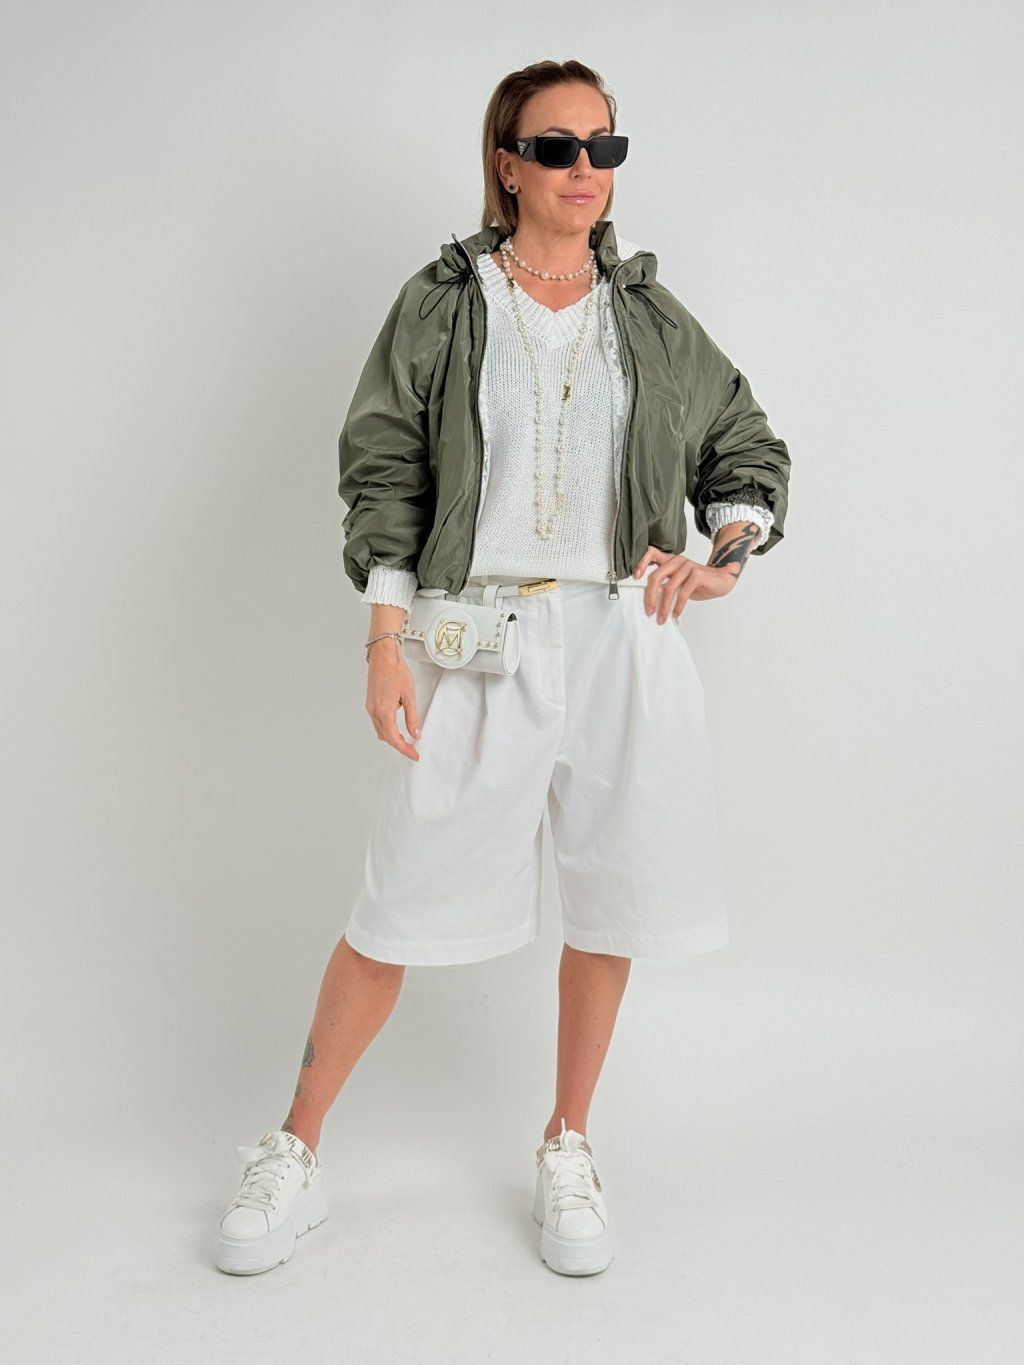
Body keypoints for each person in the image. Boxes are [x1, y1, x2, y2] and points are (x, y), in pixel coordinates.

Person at [213, 58, 790, 1280]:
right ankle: (296, 1147)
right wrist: (384, 638)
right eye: (558, 146)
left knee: (612, 897)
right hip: (478, 636)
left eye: (604, 147)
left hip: (624, 636)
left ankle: (567, 1142)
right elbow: (385, 467)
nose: (586, 169)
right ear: (506, 163)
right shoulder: (442, 304)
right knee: (395, 905)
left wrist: (725, 553)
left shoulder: (649, 317)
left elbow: (742, 442)